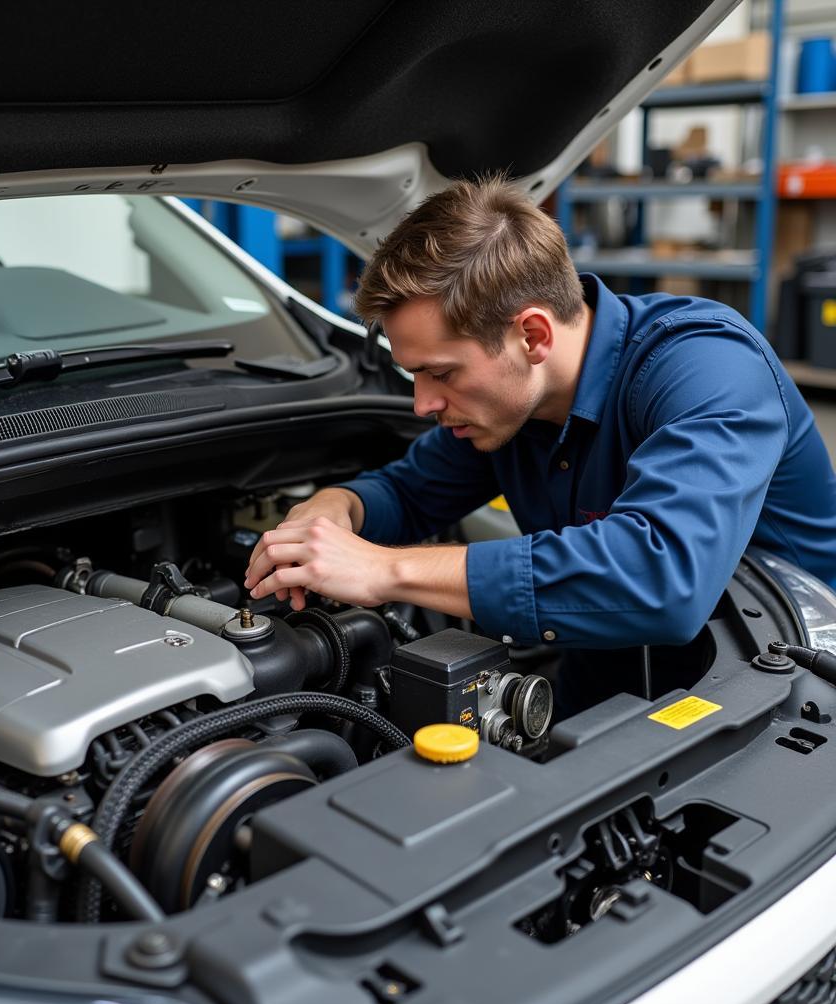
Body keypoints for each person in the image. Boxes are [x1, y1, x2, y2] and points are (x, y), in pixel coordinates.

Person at [243, 176, 836, 715]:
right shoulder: (504, 405)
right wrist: (339, 506)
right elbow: (408, 489)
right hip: (604, 668)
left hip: (783, 687)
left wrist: (385, 569)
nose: (422, 403)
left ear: (532, 334)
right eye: (413, 375)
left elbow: (663, 577)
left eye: (441, 373)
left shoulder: (705, 366)